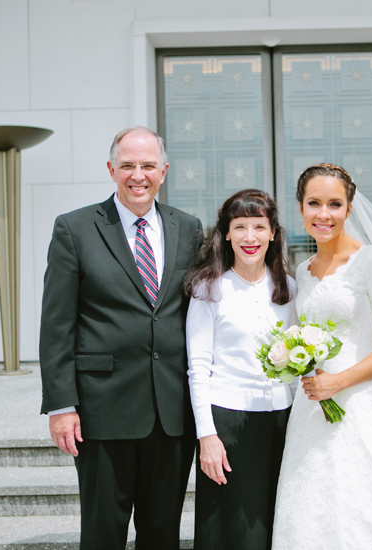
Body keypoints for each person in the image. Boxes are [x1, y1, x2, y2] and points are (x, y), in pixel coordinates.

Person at [39, 126, 203, 550]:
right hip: (102, 410)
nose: (138, 175)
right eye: (128, 165)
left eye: (148, 165)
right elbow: (57, 324)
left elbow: (201, 313)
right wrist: (61, 405)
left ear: (163, 171)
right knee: (102, 534)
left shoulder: (189, 228)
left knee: (162, 534)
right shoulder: (75, 228)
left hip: (171, 411)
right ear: (111, 170)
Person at [272, 163, 372, 549]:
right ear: (301, 208)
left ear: (349, 208)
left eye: (334, 204)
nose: (324, 214)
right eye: (314, 203)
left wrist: (338, 381)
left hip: (364, 404)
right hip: (312, 410)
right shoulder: (303, 270)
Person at [184, 189, 297, 550]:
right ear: (227, 234)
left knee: (271, 524)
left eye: (259, 227)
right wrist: (207, 436)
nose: (250, 237)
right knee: (231, 531)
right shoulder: (208, 289)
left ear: (273, 233)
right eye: (240, 227)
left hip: (280, 422)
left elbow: (298, 362)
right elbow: (198, 368)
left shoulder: (289, 287)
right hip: (227, 423)